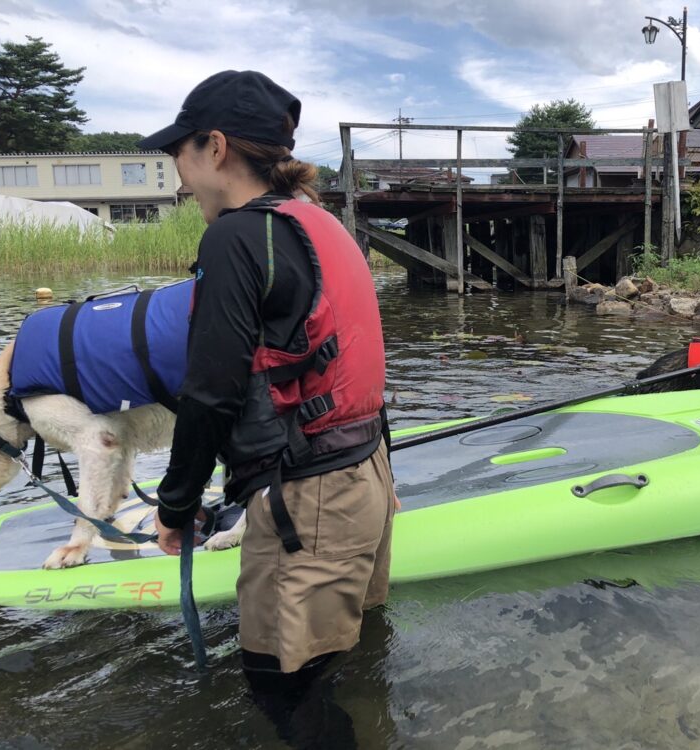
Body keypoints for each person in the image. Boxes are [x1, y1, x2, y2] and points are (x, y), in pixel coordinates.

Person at [140, 71, 395, 700]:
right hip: (367, 476)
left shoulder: (233, 237)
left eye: (180, 151)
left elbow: (211, 393)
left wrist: (175, 507)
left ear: (216, 148)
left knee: (282, 691)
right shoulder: (317, 221)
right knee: (348, 670)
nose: (178, 172)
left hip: (308, 502)